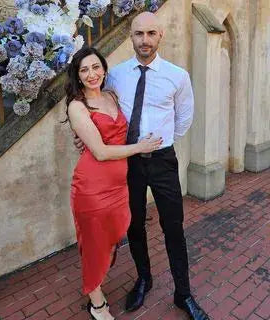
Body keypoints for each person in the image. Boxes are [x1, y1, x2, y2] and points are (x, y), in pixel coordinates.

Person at [74, 12, 210, 320]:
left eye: (151, 33)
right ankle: (144, 278)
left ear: (160, 35)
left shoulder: (177, 75)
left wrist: (161, 142)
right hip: (128, 163)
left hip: (162, 161)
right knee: (134, 226)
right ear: (131, 37)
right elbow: (94, 107)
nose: (144, 40)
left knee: (173, 226)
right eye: (138, 34)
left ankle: (183, 293)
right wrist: (83, 136)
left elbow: (184, 117)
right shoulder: (116, 75)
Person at [65, 47, 163, 320]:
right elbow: (100, 152)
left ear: (104, 70)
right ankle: (96, 302)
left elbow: (117, 132)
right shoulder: (77, 105)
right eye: (84, 70)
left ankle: (95, 287)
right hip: (92, 187)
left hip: (119, 185)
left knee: (109, 239)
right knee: (94, 244)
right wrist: (139, 146)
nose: (91, 74)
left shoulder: (111, 96)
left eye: (96, 67)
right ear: (78, 75)